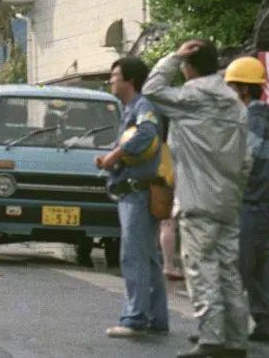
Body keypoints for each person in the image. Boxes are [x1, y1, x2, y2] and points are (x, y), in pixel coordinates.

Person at [144, 40, 251, 358]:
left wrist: (173, 57)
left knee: (201, 267)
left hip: (197, 198)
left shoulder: (191, 98)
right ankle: (236, 338)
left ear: (189, 67)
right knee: (228, 269)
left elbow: (152, 89)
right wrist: (235, 188)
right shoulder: (235, 103)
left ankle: (212, 337)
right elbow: (247, 158)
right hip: (229, 198)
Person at [96, 56, 170, 340]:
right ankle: (156, 318)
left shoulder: (143, 107)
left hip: (137, 193)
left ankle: (135, 319)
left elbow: (146, 135)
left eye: (115, 76)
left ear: (130, 79)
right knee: (148, 258)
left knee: (134, 256)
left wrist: (115, 155)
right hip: (134, 190)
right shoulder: (130, 108)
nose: (111, 80)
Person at [224, 56, 269, 346]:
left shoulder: (253, 118)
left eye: (231, 87)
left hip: (249, 203)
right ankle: (267, 324)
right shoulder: (266, 116)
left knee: (237, 270)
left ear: (244, 89)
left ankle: (224, 330)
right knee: (261, 268)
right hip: (265, 203)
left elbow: (244, 158)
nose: (229, 94)